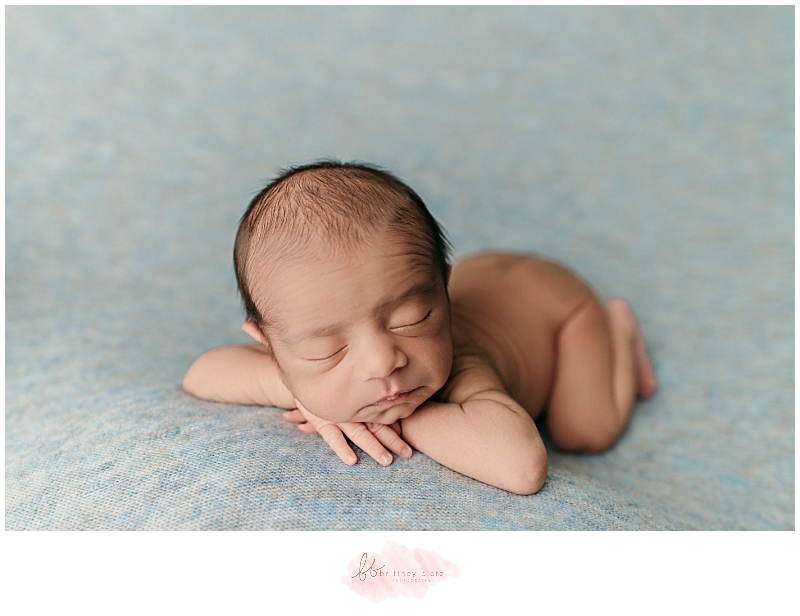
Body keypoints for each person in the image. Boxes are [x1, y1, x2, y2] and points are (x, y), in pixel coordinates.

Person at [183, 161, 657, 495]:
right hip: (488, 277)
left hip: (560, 309)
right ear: (269, 343)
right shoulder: (304, 333)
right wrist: (305, 394)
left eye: (412, 319)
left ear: (443, 294)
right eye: (328, 350)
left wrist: (387, 413)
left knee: (586, 431)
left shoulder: (463, 366)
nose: (383, 361)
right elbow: (201, 374)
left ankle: (617, 328)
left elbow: (523, 466)